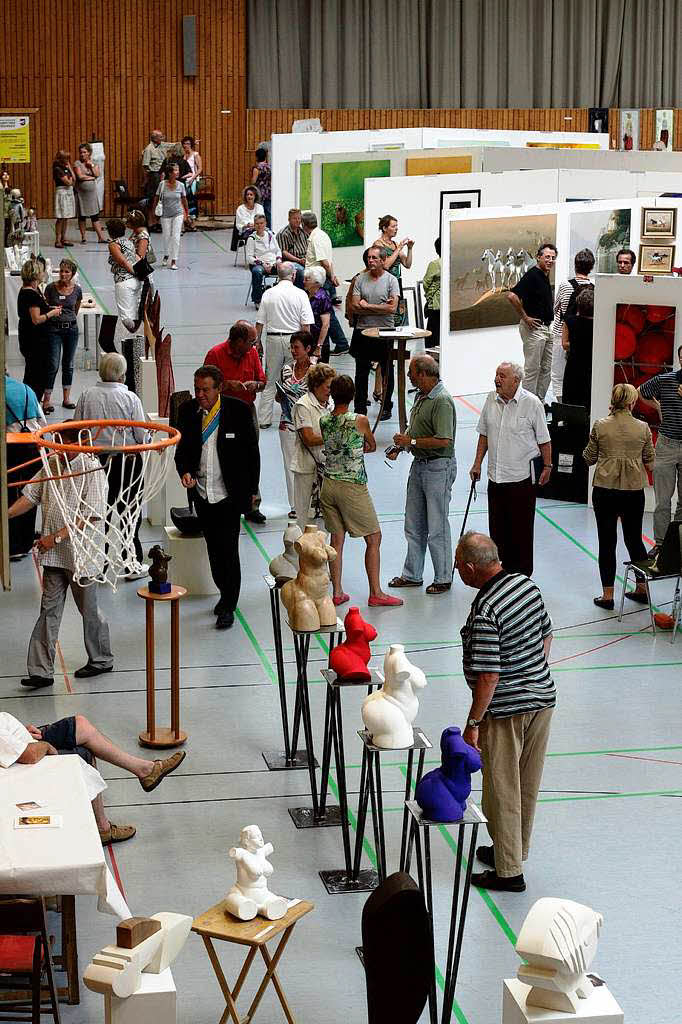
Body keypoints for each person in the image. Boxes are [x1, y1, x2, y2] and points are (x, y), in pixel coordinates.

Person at [456, 531, 555, 892]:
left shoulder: (486, 609)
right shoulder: (526, 586)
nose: (456, 570)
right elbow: (546, 635)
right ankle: (510, 849)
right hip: (542, 700)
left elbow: (488, 674)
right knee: (526, 782)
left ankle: (509, 872)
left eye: (457, 564)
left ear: (470, 568)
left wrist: (474, 723)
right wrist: (531, 674)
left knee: (501, 787)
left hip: (507, 710)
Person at [7, 424, 113, 688]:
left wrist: (53, 538)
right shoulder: (52, 464)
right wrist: (5, 515)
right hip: (54, 555)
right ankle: (41, 671)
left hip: (81, 555)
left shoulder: (93, 470)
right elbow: (30, 496)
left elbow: (91, 516)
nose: (56, 447)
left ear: (75, 443)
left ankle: (101, 659)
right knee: (48, 610)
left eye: (60, 442)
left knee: (88, 610)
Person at [0, 711, 185, 846]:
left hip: (16, 741)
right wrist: (45, 744)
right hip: (22, 761)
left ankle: (145, 769)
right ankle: (102, 828)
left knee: (80, 725)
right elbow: (28, 755)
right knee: (84, 754)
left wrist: (17, 731)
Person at [175, 365, 260, 629]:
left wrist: (252, 492)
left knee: (229, 550)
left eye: (205, 389)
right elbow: (183, 450)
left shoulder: (238, 411)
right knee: (213, 549)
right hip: (202, 494)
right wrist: (185, 471)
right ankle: (223, 590)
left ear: (219, 388)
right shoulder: (187, 412)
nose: (200, 394)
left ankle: (228, 603)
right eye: (197, 388)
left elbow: (251, 456)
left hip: (229, 496)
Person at [319, 375, 402, 608]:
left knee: (337, 538)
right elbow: (372, 445)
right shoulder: (360, 420)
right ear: (353, 395)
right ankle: (376, 592)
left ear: (332, 395)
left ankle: (336, 591)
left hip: (328, 484)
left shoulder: (324, 421)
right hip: (351, 485)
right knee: (374, 537)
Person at [470, 362, 551, 577]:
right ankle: (501, 573)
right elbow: (484, 434)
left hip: (521, 480)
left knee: (521, 532)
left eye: (502, 375)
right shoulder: (490, 399)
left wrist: (548, 465)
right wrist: (477, 463)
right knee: (497, 530)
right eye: (496, 374)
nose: (497, 379)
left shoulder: (532, 404)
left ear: (516, 380)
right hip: (496, 479)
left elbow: (544, 440)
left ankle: (522, 575)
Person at [74, 353, 149, 578]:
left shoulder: (87, 396)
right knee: (129, 514)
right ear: (123, 374)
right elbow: (141, 434)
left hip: (96, 465)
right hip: (127, 465)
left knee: (99, 514)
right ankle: (130, 560)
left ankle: (100, 562)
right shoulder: (130, 399)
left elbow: (79, 429)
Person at [387, 355, 457, 595]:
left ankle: (443, 577)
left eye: (412, 373)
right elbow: (414, 431)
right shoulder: (421, 396)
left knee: (437, 524)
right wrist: (403, 445)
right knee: (414, 522)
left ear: (424, 374)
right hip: (420, 464)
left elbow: (444, 440)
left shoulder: (442, 401)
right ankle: (412, 574)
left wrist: (412, 440)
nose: (409, 376)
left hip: (438, 467)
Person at [583, 383, 653, 610]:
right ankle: (641, 588)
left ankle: (607, 595)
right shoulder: (643, 428)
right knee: (634, 539)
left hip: (605, 490)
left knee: (607, 541)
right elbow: (650, 462)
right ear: (632, 402)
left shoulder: (601, 426)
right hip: (633, 491)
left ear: (613, 401)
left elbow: (589, 458)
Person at [204, 321, 267, 524]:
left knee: (251, 457)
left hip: (247, 412)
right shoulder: (215, 354)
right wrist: (226, 385)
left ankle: (251, 504)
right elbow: (203, 388)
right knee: (224, 455)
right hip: (223, 414)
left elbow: (263, 382)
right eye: (251, 341)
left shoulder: (252, 354)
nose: (254, 345)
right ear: (238, 341)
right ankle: (224, 497)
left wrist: (254, 385)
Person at [255, 262, 314, 427]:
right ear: (294, 275)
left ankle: (264, 420)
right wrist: (306, 347)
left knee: (270, 380)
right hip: (295, 341)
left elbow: (259, 323)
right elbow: (306, 325)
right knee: (295, 379)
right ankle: (294, 417)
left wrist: (257, 342)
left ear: (277, 275)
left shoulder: (268, 293)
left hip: (273, 339)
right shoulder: (301, 294)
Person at [637, 350, 682, 556]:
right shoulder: (665, 379)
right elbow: (641, 391)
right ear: (680, 359)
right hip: (667, 444)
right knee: (663, 499)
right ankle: (661, 544)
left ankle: (678, 543)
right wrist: (657, 406)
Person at [349, 246, 399, 419]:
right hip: (363, 331)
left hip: (385, 331)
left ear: (383, 261)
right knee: (361, 372)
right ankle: (360, 408)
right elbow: (355, 306)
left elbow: (392, 309)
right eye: (369, 257)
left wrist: (367, 306)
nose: (370, 260)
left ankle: (386, 407)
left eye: (374, 258)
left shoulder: (392, 280)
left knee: (387, 371)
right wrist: (381, 307)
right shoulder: (360, 279)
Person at [507, 243, 557, 402]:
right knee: (532, 369)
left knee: (547, 369)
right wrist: (525, 317)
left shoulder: (544, 275)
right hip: (535, 330)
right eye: (547, 257)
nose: (550, 260)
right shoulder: (532, 275)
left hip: (547, 328)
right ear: (538, 257)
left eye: (553, 258)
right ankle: (527, 405)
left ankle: (538, 402)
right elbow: (512, 296)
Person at [291, 362, 335, 532]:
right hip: (306, 470)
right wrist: (335, 435)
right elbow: (308, 438)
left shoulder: (330, 403)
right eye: (328, 386)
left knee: (325, 519)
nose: (331, 390)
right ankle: (305, 557)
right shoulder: (303, 406)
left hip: (328, 469)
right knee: (305, 519)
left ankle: (321, 556)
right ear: (316, 385)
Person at [5, 375, 44, 559]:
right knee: (30, 493)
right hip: (32, 448)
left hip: (9, 450)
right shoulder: (27, 389)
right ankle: (26, 541)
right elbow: (42, 423)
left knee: (9, 493)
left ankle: (11, 543)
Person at [277, 332, 316, 518]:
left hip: (309, 425)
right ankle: (295, 505)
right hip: (287, 424)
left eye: (296, 347)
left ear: (308, 349)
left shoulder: (317, 371)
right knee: (289, 465)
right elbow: (281, 394)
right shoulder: (286, 369)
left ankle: (313, 503)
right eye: (291, 347)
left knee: (312, 464)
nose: (293, 351)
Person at [550, 248, 594, 403]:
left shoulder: (564, 286)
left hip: (561, 333)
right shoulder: (593, 288)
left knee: (558, 375)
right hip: (583, 338)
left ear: (575, 265)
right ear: (591, 267)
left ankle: (563, 408)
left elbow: (556, 309)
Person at [302, 211, 349, 352]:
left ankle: (341, 344)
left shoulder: (316, 239)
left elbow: (325, 262)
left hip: (318, 280)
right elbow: (328, 261)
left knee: (327, 314)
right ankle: (340, 343)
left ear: (304, 225)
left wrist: (331, 276)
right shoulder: (323, 235)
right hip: (322, 278)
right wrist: (332, 275)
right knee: (327, 313)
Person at [18, 258, 62, 404]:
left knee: (34, 371)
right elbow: (36, 319)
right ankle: (32, 404)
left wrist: (49, 309)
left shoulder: (30, 291)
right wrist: (52, 314)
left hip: (31, 337)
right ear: (36, 274)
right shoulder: (31, 294)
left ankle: (31, 403)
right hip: (34, 340)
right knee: (36, 374)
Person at [43, 259, 83, 413]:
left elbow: (76, 308)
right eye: (61, 271)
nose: (63, 274)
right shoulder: (51, 288)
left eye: (67, 271)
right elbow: (45, 306)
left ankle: (66, 398)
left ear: (72, 273)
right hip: (53, 330)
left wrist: (68, 319)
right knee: (53, 364)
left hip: (71, 330)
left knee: (69, 364)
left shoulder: (77, 290)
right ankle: (47, 400)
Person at [372, 215, 414, 327]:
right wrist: (399, 248)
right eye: (393, 226)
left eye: (397, 226)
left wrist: (409, 248)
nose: (396, 229)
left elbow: (407, 264)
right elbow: (385, 265)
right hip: (384, 283)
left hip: (397, 282)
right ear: (385, 228)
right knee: (387, 313)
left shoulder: (395, 244)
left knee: (399, 316)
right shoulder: (378, 244)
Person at [105, 218, 142, 336]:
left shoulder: (113, 244)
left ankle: (129, 338)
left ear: (110, 231)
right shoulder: (128, 241)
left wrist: (135, 272)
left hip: (124, 281)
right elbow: (136, 257)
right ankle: (136, 339)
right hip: (135, 282)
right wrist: (138, 275)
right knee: (134, 313)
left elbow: (123, 262)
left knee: (126, 318)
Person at [561, 288, 595, 411]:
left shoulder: (569, 321)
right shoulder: (599, 324)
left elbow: (565, 344)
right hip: (592, 366)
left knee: (572, 399)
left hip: (573, 365)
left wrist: (576, 344)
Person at [156, 161, 190, 269]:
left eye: (178, 170)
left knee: (176, 237)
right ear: (170, 173)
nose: (178, 172)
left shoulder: (181, 185)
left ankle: (174, 260)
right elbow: (156, 198)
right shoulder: (162, 184)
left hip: (177, 213)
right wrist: (154, 213)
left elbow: (184, 200)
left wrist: (187, 213)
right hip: (165, 214)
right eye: (175, 170)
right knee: (166, 237)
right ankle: (166, 254)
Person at [73, 142, 107, 244]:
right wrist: (92, 177)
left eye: (84, 152)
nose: (82, 154)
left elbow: (97, 173)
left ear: (89, 153)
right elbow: (80, 177)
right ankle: (83, 237)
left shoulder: (93, 163)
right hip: (81, 194)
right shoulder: (77, 163)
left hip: (91, 194)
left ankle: (101, 237)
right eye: (81, 152)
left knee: (95, 216)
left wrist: (91, 165)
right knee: (82, 216)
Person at [245, 214, 281, 307]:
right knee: (257, 272)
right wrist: (262, 264)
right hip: (259, 264)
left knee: (287, 269)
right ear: (254, 225)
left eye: (261, 223)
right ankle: (258, 300)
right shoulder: (251, 238)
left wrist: (278, 260)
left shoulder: (271, 235)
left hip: (273, 263)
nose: (259, 225)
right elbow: (249, 257)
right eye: (257, 224)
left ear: (265, 223)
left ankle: (281, 298)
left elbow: (278, 250)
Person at [303, 266, 333, 362]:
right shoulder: (305, 295)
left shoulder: (323, 297)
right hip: (307, 341)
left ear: (316, 282)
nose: (304, 281)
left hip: (318, 343)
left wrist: (318, 347)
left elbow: (325, 325)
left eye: (307, 279)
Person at [276, 208, 308, 286]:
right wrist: (299, 260)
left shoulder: (303, 231)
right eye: (294, 218)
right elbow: (283, 252)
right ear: (289, 219)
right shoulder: (283, 233)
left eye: (299, 218)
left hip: (304, 259)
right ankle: (300, 295)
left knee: (320, 269)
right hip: (290, 261)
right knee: (300, 271)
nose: (297, 221)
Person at [141, 130, 169, 216]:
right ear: (155, 138)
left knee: (162, 197)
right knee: (154, 198)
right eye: (160, 137)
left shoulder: (162, 145)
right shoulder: (149, 149)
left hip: (163, 174)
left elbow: (174, 145)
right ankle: (152, 220)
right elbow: (145, 166)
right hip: (154, 175)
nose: (163, 138)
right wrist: (146, 180)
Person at [52, 150, 76, 248]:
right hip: (62, 193)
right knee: (60, 217)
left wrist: (69, 167)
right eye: (65, 159)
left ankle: (64, 238)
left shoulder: (66, 167)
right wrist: (70, 180)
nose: (67, 160)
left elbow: (74, 178)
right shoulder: (57, 168)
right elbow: (68, 182)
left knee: (66, 217)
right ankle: (57, 240)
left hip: (69, 192)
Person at [423, 237, 441, 347]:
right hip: (442, 303)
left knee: (433, 335)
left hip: (436, 304)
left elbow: (426, 283)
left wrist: (429, 298)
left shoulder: (435, 264)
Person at [180, 135, 202, 221]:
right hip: (184, 178)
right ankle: (185, 215)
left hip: (193, 178)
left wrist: (193, 178)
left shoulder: (195, 155)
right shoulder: (182, 155)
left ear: (191, 145)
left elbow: (200, 168)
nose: (186, 145)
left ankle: (193, 215)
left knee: (191, 196)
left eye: (188, 143)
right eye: (185, 144)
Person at [251, 147, 271, 226]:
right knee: (268, 212)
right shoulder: (269, 167)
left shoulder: (257, 169)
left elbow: (254, 181)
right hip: (269, 192)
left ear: (257, 157)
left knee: (259, 212)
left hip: (259, 193)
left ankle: (260, 227)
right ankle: (269, 228)